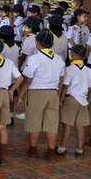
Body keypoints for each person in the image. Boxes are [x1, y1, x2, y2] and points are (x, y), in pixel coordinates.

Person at [15, 30, 65, 158]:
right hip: (53, 93)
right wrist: (58, 94)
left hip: (36, 92)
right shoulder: (59, 59)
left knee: (34, 120)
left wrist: (20, 96)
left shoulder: (34, 58)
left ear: (38, 43)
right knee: (52, 123)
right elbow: (61, 79)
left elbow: (28, 80)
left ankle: (33, 149)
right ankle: (50, 150)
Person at [57, 44, 91, 156]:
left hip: (71, 99)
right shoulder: (88, 70)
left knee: (67, 125)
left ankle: (62, 147)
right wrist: (89, 100)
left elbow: (65, 86)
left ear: (74, 54)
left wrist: (60, 100)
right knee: (80, 126)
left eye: (71, 52)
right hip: (83, 100)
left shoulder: (69, 69)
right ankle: (80, 148)